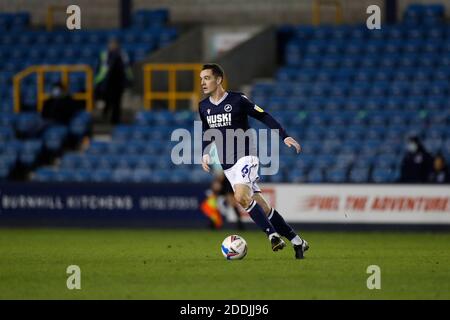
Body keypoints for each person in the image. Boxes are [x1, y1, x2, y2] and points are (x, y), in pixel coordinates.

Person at [198, 63, 309, 259]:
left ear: (219, 79)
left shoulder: (237, 99)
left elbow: (263, 115)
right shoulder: (204, 106)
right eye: (201, 79)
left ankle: (273, 236)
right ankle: (297, 241)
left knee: (240, 197)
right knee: (263, 207)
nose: (203, 82)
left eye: (206, 78)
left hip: (246, 154)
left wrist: (284, 136)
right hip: (227, 164)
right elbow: (207, 131)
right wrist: (206, 151)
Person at [94, 38, 133, 124]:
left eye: (114, 44)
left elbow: (127, 68)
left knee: (117, 102)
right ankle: (104, 116)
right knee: (107, 101)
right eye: (111, 44)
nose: (112, 46)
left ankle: (114, 120)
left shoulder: (122, 55)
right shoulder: (104, 54)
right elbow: (100, 69)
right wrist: (98, 81)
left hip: (118, 83)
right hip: (107, 83)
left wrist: (128, 81)